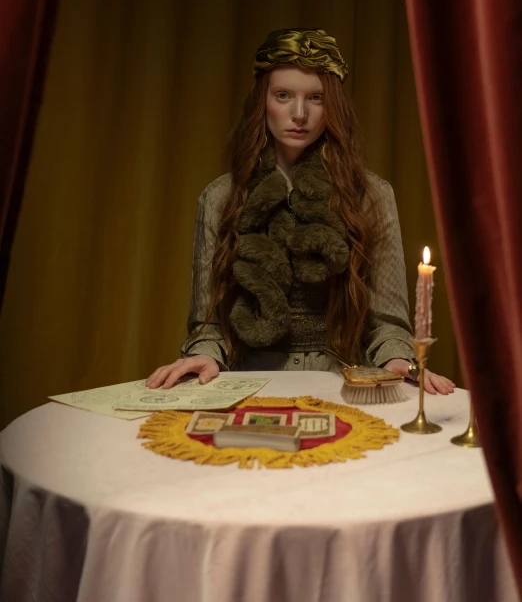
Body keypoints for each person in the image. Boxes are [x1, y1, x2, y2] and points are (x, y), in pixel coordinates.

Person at [147, 28, 455, 395]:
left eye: (315, 98)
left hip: (343, 381)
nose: (299, 113)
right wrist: (203, 355)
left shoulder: (371, 195)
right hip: (250, 383)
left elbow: (388, 323)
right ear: (262, 102)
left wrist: (398, 360)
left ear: (333, 107)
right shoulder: (219, 198)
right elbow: (208, 324)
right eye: (283, 96)